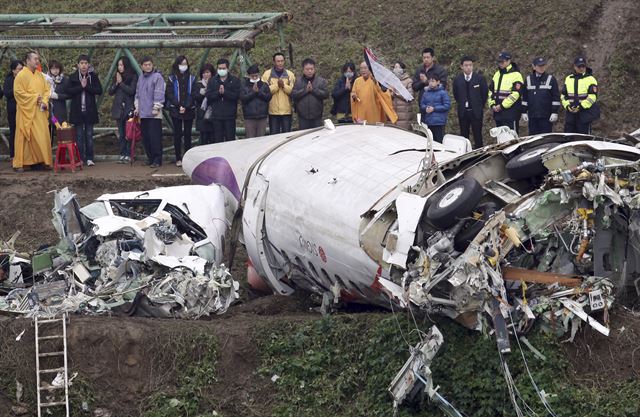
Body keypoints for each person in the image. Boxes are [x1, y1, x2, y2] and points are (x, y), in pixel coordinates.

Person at [12, 51, 52, 172]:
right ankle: (22, 163)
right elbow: (18, 93)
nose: (37, 61)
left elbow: (47, 90)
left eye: (38, 59)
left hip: (39, 111)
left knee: (41, 136)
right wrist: (35, 98)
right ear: (27, 61)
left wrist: (44, 102)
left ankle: (40, 161)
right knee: (25, 137)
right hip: (26, 111)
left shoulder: (40, 75)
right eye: (35, 59)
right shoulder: (21, 75)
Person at [67, 54, 103, 166]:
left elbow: (99, 90)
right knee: (78, 136)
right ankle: (80, 158)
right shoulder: (72, 77)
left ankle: (90, 157)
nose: (83, 66)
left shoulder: (93, 76)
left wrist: (86, 86)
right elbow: (69, 91)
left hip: (90, 110)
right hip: (77, 111)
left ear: (89, 65)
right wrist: (80, 87)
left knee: (89, 135)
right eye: (81, 63)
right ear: (78, 65)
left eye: (86, 63)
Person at [134, 56, 165, 168]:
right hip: (143, 113)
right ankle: (150, 157)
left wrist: (156, 107)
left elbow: (159, 92)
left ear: (152, 65)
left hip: (154, 114)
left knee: (155, 137)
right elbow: (138, 94)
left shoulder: (157, 77)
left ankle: (157, 159)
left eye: (149, 64)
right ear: (141, 66)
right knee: (146, 137)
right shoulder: (141, 78)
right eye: (145, 65)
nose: (147, 67)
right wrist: (137, 107)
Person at [166, 55, 196, 166]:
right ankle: (178, 158)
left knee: (188, 134)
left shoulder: (192, 78)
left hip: (189, 109)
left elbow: (193, 93)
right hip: (176, 109)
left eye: (185, 64)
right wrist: (179, 106)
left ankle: (187, 158)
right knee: (177, 134)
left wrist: (186, 106)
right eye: (181, 64)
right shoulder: (172, 78)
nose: (184, 66)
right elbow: (169, 93)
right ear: (177, 65)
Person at [452, 56, 488, 148]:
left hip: (476, 111)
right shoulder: (457, 80)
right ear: (461, 66)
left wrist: (479, 106)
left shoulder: (480, 79)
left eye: (470, 65)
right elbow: (456, 95)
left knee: (478, 135)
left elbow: (484, 94)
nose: (468, 67)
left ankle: (480, 154)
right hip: (463, 112)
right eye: (466, 65)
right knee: (464, 136)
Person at [108, 56, 137, 163]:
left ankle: (129, 154)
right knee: (121, 133)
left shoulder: (133, 76)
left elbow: (132, 91)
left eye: (122, 65)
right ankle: (122, 153)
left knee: (128, 133)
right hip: (118, 109)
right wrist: (116, 83)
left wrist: (121, 83)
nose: (120, 67)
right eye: (118, 65)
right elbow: (110, 92)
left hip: (128, 108)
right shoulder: (117, 77)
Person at [521, 57, 560, 135]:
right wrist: (524, 111)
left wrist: (554, 112)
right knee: (533, 139)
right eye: (539, 66)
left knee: (545, 139)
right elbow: (525, 97)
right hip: (532, 116)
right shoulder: (528, 79)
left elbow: (556, 97)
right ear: (534, 66)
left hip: (546, 116)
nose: (542, 68)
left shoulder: (551, 79)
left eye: (543, 66)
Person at [561, 57, 600, 134]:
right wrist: (567, 106)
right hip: (570, 114)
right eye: (579, 66)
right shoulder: (568, 79)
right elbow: (563, 96)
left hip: (584, 114)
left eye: (583, 66)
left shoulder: (590, 79)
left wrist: (581, 107)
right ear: (574, 66)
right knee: (568, 136)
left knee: (584, 138)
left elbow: (592, 97)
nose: (581, 68)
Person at [488, 51, 524, 133]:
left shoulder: (516, 75)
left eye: (502, 61)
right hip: (498, 113)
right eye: (499, 62)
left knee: (512, 138)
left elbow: (515, 94)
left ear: (509, 61)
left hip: (511, 113)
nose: (500, 63)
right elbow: (490, 91)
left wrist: (502, 106)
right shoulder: (497, 74)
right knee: (500, 139)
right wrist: (492, 104)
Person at [206, 58, 240, 142]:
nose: (221, 70)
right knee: (218, 140)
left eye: (223, 68)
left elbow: (236, 96)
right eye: (219, 68)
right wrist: (218, 93)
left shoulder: (234, 80)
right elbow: (209, 96)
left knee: (230, 139)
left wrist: (225, 92)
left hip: (230, 116)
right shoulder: (212, 81)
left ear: (227, 69)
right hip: (216, 116)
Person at [262, 52, 295, 134]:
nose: (280, 63)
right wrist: (277, 85)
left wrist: (283, 86)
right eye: (278, 61)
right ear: (274, 62)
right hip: (273, 111)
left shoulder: (290, 74)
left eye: (282, 61)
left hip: (286, 111)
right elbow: (264, 91)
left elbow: (293, 91)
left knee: (287, 135)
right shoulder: (267, 74)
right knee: (274, 136)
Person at [291, 58, 329, 129]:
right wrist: (305, 90)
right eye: (307, 69)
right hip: (302, 116)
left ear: (314, 69)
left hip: (317, 116)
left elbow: (326, 94)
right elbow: (294, 94)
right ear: (303, 69)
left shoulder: (321, 81)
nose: (310, 71)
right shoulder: (298, 81)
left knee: (317, 137)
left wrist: (313, 90)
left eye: (311, 69)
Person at [240, 64, 272, 138]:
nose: (254, 78)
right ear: (249, 76)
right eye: (252, 76)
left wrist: (259, 92)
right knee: (250, 139)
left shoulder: (264, 85)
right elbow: (243, 99)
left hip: (262, 116)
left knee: (261, 139)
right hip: (249, 117)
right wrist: (253, 92)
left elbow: (268, 97)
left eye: (256, 76)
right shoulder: (244, 85)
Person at [420, 74, 451, 143]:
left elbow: (447, 105)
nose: (431, 83)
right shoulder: (426, 93)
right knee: (430, 142)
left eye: (433, 81)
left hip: (439, 122)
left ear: (438, 82)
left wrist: (434, 109)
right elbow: (422, 104)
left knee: (439, 141)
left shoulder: (443, 93)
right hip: (428, 121)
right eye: (430, 81)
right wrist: (426, 108)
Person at [3, 60, 23, 161]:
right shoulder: (9, 79)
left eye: (22, 69)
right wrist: (17, 90)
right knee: (14, 131)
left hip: (24, 108)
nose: (21, 71)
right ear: (13, 70)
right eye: (19, 69)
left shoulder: (25, 78)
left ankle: (24, 155)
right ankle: (13, 155)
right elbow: (7, 93)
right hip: (13, 109)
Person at [193, 63, 215, 145]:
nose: (206, 74)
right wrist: (202, 93)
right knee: (204, 140)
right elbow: (195, 97)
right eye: (204, 73)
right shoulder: (198, 85)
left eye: (208, 72)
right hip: (202, 115)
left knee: (214, 140)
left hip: (214, 115)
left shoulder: (215, 83)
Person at [391, 61, 414, 130]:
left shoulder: (408, 81)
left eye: (398, 67)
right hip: (392, 113)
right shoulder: (391, 81)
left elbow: (410, 96)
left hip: (404, 113)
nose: (396, 69)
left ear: (403, 69)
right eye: (395, 67)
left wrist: (397, 93)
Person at [46, 60, 70, 126]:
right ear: (50, 69)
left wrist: (57, 96)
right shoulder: (46, 79)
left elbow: (68, 95)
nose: (55, 70)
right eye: (53, 68)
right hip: (48, 109)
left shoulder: (65, 80)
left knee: (60, 131)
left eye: (57, 68)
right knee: (48, 131)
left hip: (60, 110)